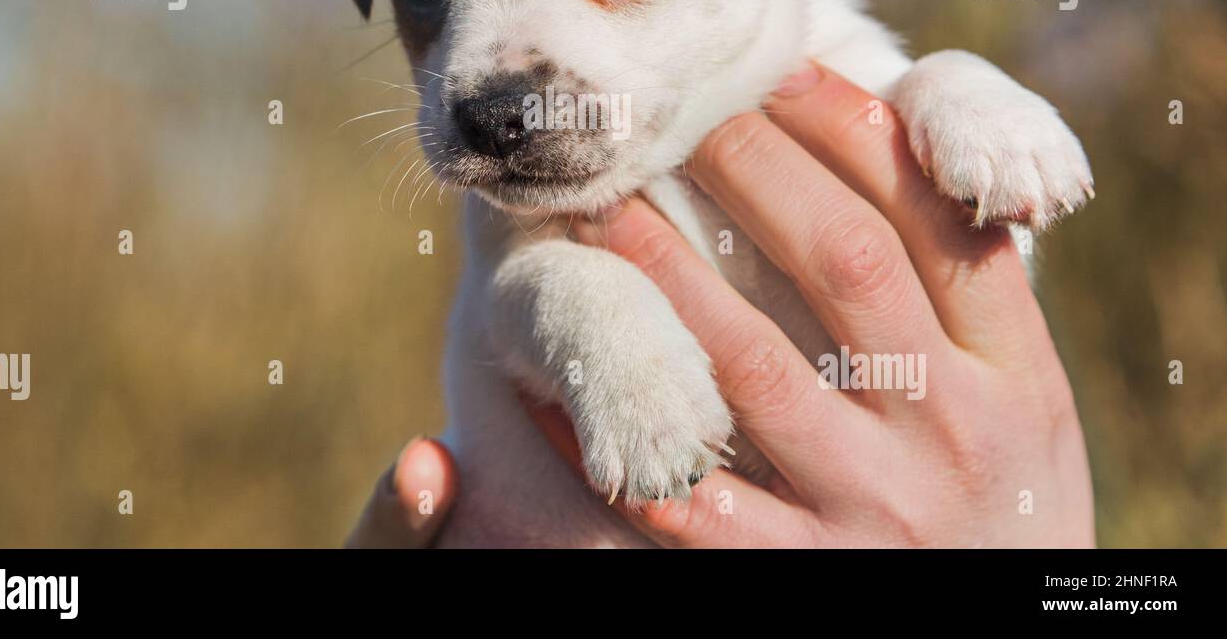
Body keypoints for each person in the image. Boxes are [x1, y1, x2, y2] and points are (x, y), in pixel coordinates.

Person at [346, 66, 1095, 548]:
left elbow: (957, 271)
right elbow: (520, 292)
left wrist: (947, 88)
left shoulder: (806, 51)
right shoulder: (532, 179)